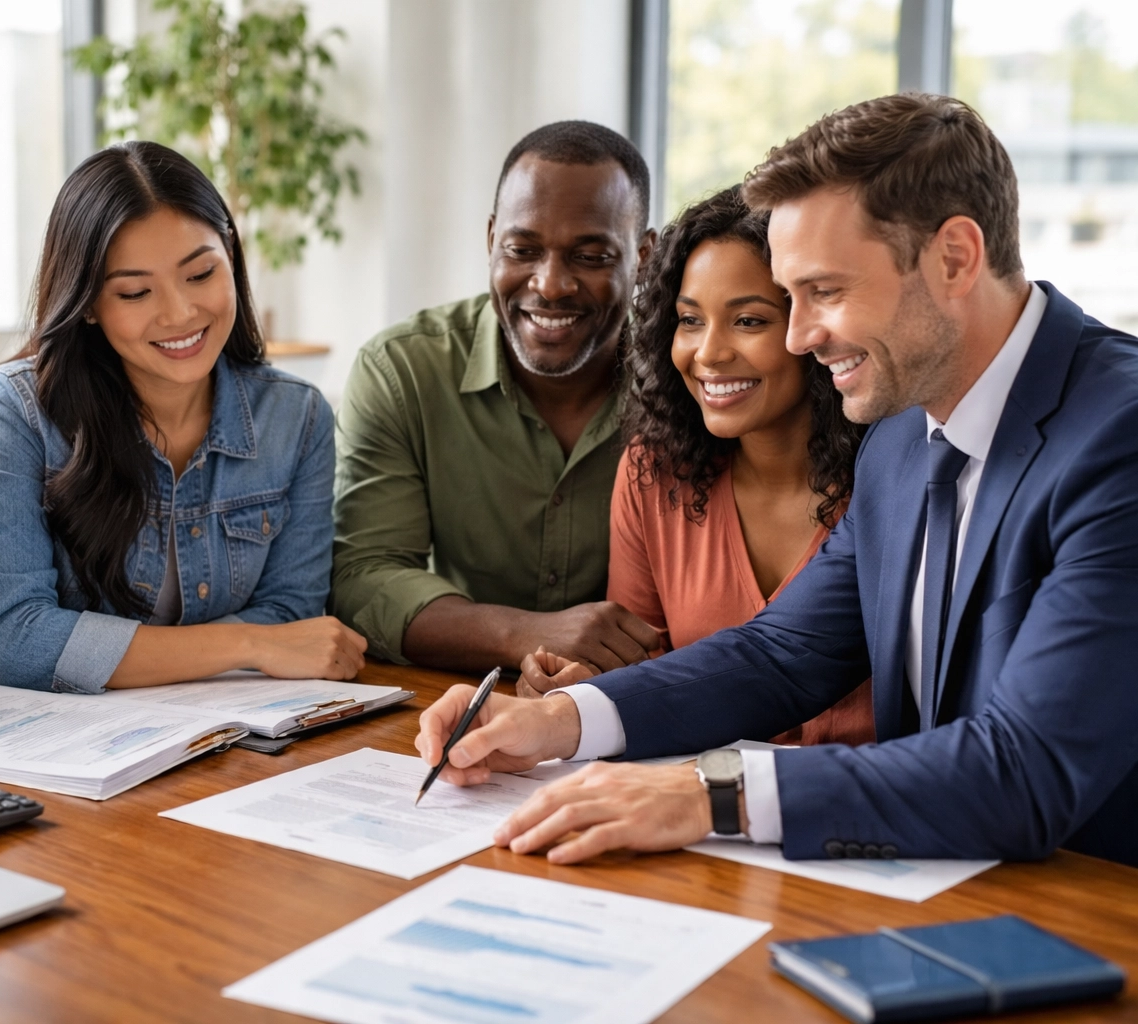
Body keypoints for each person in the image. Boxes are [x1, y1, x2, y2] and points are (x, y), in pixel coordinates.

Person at [415, 93, 1138, 868]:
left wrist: (708, 794)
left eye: (825, 292)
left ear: (955, 258)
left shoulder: (1117, 437)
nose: (799, 337)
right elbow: (782, 654)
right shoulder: (900, 434)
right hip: (940, 884)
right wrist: (556, 721)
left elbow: (1025, 771)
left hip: (1094, 908)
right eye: (790, 299)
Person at [0, 142, 366, 693]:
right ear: (88, 306)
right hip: (34, 743)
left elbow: (293, 612)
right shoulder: (17, 412)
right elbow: (16, 641)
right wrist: (250, 645)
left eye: (200, 275)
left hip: (212, 735)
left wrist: (271, 641)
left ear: (231, 258)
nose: (179, 313)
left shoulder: (296, 418)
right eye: (135, 291)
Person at [523, 186, 873, 747]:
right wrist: (577, 693)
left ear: (813, 328)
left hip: (856, 811)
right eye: (689, 320)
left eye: (749, 321)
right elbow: (645, 670)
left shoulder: (893, 475)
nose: (707, 353)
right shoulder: (656, 471)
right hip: (695, 805)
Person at [332, 121, 662, 675]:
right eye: (522, 249)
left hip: (637, 702)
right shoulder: (402, 371)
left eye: (591, 256)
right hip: (450, 700)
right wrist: (526, 635)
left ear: (644, 255)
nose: (551, 284)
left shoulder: (690, 379)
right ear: (491, 242)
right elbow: (364, 575)